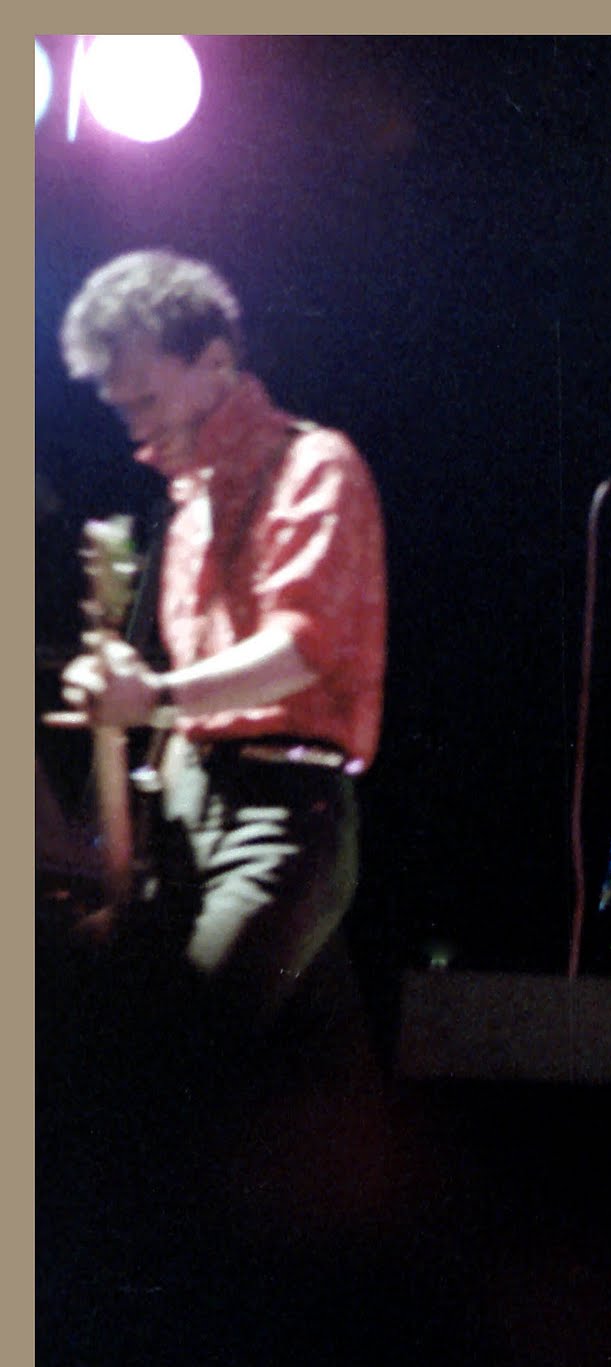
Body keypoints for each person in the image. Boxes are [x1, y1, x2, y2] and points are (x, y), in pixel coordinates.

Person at [56, 248, 387, 1035]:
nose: (138, 429)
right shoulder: (189, 503)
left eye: (148, 400)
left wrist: (154, 696)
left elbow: (299, 650)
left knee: (193, 1046)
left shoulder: (314, 464)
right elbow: (196, 695)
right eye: (123, 410)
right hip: (188, 811)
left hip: (282, 814)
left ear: (214, 363)